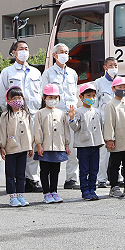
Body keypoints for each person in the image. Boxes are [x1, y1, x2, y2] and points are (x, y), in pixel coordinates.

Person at [0, 40, 43, 193]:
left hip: (33, 114)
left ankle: (32, 179)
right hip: (14, 115)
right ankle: (17, 179)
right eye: (21, 49)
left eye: (26, 48)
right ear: (14, 53)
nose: (24, 51)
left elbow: (40, 92)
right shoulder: (7, 72)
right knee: (16, 146)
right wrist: (8, 113)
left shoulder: (36, 72)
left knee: (32, 145)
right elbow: (1, 93)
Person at [41, 43, 79, 190]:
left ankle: (71, 179)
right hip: (55, 114)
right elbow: (43, 94)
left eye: (66, 52)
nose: (64, 54)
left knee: (73, 148)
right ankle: (49, 180)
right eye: (61, 52)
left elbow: (74, 94)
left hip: (71, 114)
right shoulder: (48, 74)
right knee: (52, 147)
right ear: (55, 55)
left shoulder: (73, 73)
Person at [33, 84, 71, 204]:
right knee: (44, 170)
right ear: (44, 98)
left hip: (58, 147)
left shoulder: (61, 113)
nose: (52, 100)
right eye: (50, 97)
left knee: (56, 170)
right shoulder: (40, 113)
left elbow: (66, 130)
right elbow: (37, 129)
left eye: (55, 97)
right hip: (45, 146)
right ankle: (46, 193)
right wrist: (39, 144)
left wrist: (66, 144)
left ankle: (54, 191)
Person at [0, 86, 34, 207]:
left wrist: (30, 146)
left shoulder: (25, 114)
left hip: (23, 148)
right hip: (11, 148)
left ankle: (20, 194)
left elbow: (29, 131)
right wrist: (2, 146)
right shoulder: (5, 115)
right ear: (8, 100)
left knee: (21, 173)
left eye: (19, 97)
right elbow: (2, 131)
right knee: (10, 174)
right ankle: (12, 196)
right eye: (14, 98)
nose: (17, 100)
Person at [69, 83, 103, 201]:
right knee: (84, 169)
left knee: (94, 169)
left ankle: (92, 189)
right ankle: (85, 190)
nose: (91, 98)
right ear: (81, 97)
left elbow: (101, 127)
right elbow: (75, 127)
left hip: (95, 144)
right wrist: (72, 118)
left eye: (93, 96)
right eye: (88, 95)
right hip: (83, 145)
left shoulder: (97, 112)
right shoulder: (78, 111)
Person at [93, 57, 120, 188]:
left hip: (118, 121)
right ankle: (101, 178)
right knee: (104, 152)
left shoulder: (120, 82)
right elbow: (95, 104)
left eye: (115, 65)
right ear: (105, 67)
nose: (113, 68)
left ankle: (118, 177)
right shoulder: (99, 83)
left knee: (119, 149)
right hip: (104, 120)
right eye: (111, 65)